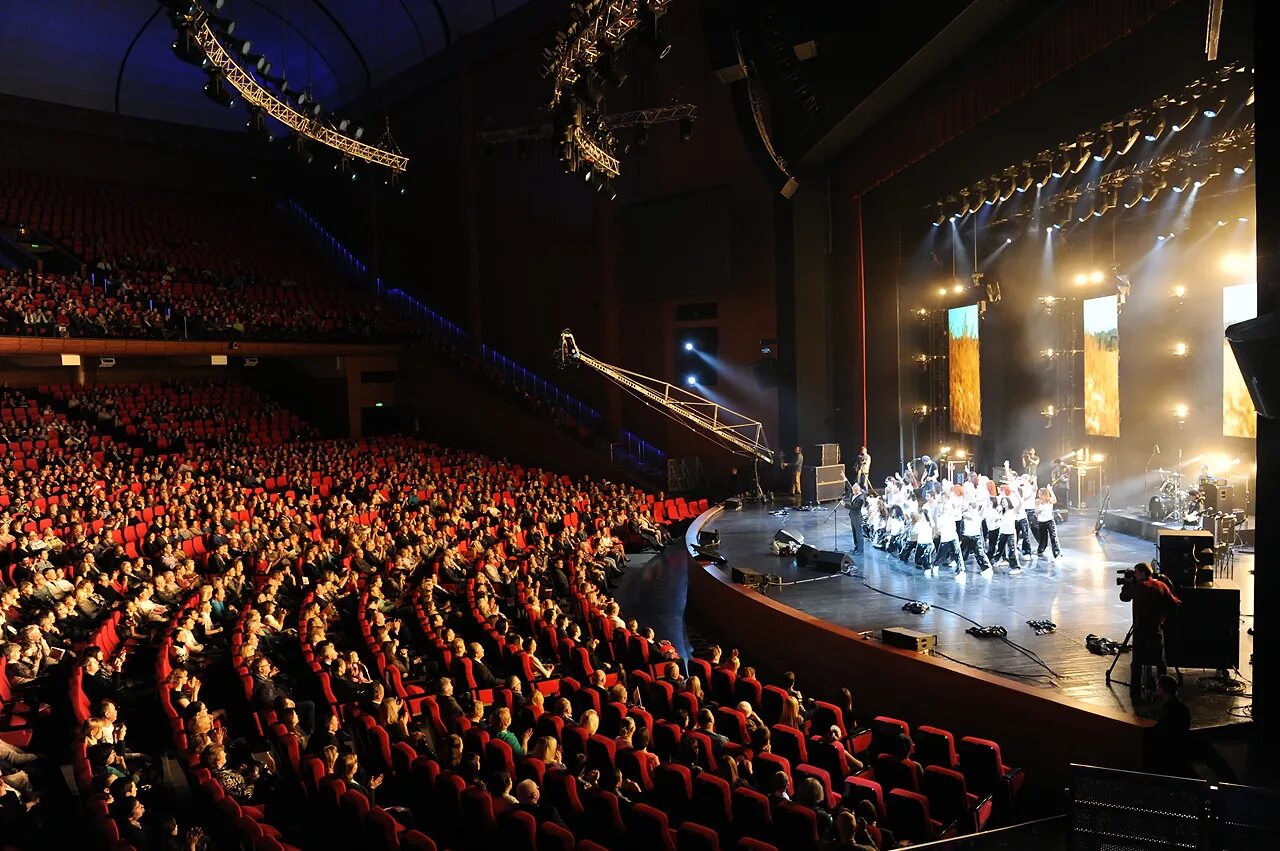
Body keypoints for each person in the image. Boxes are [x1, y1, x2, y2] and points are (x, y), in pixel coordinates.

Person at [1120, 563, 1181, 698]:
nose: (1134, 575)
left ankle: (1135, 691)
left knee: (1137, 662)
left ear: (1142, 573)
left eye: (1136, 573)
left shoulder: (1138, 587)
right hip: (1155, 628)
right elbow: (1175, 603)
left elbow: (1124, 597)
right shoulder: (1161, 585)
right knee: (1160, 661)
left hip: (1140, 628)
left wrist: (1127, 583)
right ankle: (1164, 690)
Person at [1147, 674, 1194, 776]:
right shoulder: (1182, 707)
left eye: (1158, 688)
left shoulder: (1167, 709)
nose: (1156, 690)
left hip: (1169, 754)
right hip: (1181, 750)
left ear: (1162, 690)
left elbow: (1163, 733)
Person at [1034, 487, 1061, 560]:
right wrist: (1041, 510)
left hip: (1049, 521)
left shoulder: (1050, 500)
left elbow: (1055, 500)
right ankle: (1041, 549)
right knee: (1043, 538)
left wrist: (1050, 490)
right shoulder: (1037, 501)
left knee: (1053, 537)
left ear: (1045, 494)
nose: (1040, 496)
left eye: (1041, 494)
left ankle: (1057, 553)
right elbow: (1036, 511)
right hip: (1041, 522)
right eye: (1039, 494)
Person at [846, 484, 866, 555]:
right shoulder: (853, 494)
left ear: (858, 490)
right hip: (852, 516)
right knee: (854, 533)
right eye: (853, 490)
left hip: (857, 517)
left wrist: (845, 505)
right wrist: (845, 479)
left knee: (858, 533)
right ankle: (856, 546)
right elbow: (849, 487)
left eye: (854, 490)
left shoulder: (860, 498)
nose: (853, 491)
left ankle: (860, 549)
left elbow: (856, 507)